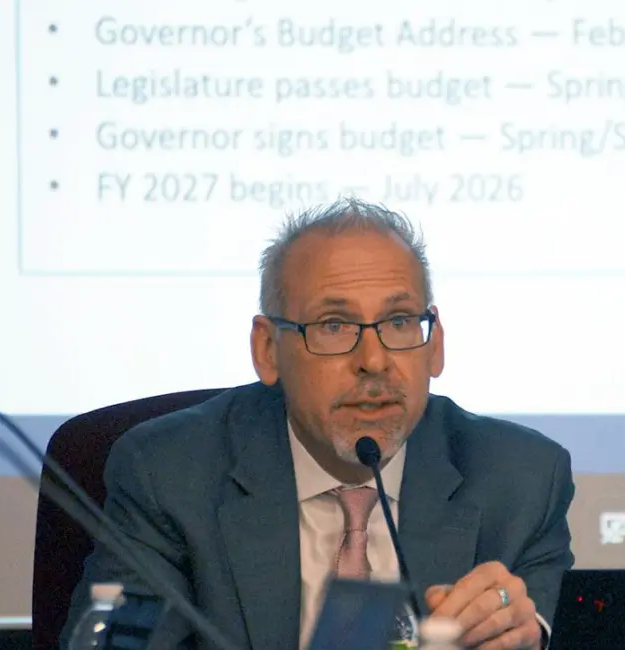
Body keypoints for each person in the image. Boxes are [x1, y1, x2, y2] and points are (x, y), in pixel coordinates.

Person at [60, 199, 576, 650]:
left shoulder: (523, 479)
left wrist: (517, 634)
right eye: (334, 326)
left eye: (399, 323)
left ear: (435, 344)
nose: (374, 360)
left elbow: (526, 627)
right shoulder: (168, 475)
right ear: (268, 350)